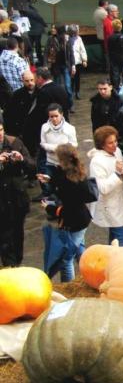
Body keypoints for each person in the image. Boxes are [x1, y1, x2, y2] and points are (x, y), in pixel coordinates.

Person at [39, 144, 94, 282]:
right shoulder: (76, 172)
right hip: (83, 219)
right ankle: (88, 275)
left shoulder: (66, 180)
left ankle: (68, 286)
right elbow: (66, 186)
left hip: (74, 221)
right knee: (79, 249)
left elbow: (68, 206)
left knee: (66, 258)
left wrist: (49, 208)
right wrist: (50, 180)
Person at [88, 126, 123, 245]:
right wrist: (117, 174)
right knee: (120, 238)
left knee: (115, 239)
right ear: (102, 145)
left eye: (115, 141)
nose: (114, 145)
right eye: (110, 143)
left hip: (120, 200)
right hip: (110, 205)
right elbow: (103, 188)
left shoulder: (116, 151)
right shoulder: (96, 162)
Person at [0, 121, 35, 267]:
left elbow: (32, 167)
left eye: (1, 129)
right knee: (4, 234)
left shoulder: (15, 142)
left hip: (17, 198)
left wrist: (21, 159)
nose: (0, 134)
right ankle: (9, 264)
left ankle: (15, 265)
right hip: (1, 200)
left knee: (17, 234)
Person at [40, 103, 77, 198]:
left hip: (65, 163)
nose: (54, 119)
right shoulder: (44, 127)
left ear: (61, 114)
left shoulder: (70, 128)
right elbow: (43, 144)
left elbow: (74, 144)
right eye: (51, 116)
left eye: (56, 116)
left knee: (66, 187)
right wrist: (57, 148)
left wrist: (62, 149)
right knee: (50, 186)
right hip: (50, 162)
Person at [5, 70, 36, 138]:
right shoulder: (17, 94)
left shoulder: (41, 91)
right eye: (27, 81)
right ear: (23, 81)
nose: (30, 83)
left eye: (31, 80)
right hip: (23, 128)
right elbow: (10, 112)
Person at [107, 19, 123, 90]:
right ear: (121, 26)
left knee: (115, 75)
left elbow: (109, 49)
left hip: (114, 58)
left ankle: (116, 89)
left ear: (112, 27)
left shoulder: (110, 37)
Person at [68, 25, 87, 100]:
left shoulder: (79, 39)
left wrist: (84, 59)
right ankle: (71, 91)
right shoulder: (67, 39)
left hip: (78, 61)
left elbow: (82, 49)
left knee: (77, 78)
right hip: (70, 62)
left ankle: (77, 91)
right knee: (71, 77)